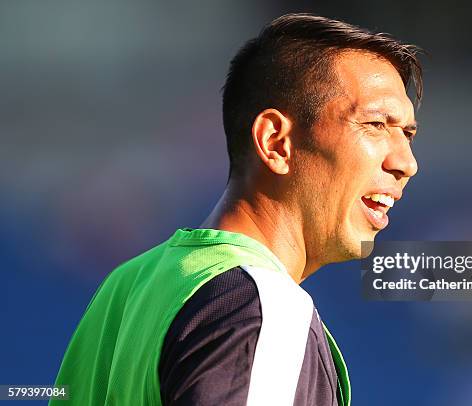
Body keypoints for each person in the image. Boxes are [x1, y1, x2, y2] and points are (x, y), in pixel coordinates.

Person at [51, 13, 423, 406]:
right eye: (377, 124)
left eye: (408, 134)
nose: (407, 162)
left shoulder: (127, 286)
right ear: (276, 142)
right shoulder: (264, 309)